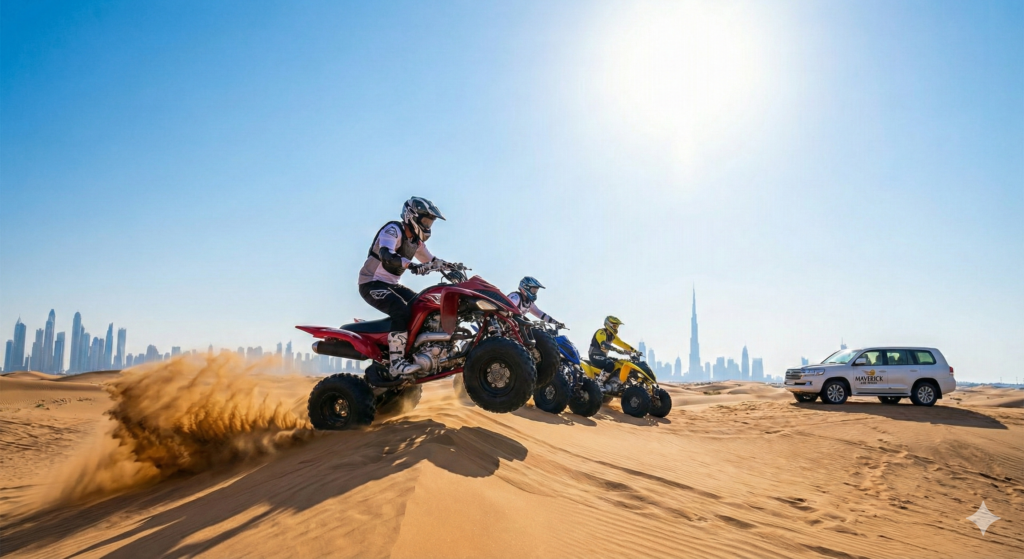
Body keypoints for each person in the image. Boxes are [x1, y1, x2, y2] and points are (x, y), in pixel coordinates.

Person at [358, 196, 449, 377]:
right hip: (371, 283)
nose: (428, 225)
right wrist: (411, 265)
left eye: (430, 222)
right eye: (425, 220)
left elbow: (431, 260)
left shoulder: (416, 242)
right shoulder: (393, 230)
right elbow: (386, 255)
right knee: (400, 309)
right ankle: (396, 362)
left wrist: (449, 267)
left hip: (392, 285)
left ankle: (417, 352)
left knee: (422, 305)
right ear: (411, 216)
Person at [589, 316, 638, 384]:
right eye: (615, 326)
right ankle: (599, 383)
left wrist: (635, 351)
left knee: (619, 363)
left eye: (617, 327)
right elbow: (603, 344)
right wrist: (616, 349)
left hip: (603, 357)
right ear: (609, 325)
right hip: (594, 355)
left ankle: (614, 383)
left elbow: (622, 344)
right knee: (610, 364)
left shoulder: (612, 336)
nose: (616, 329)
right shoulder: (601, 332)